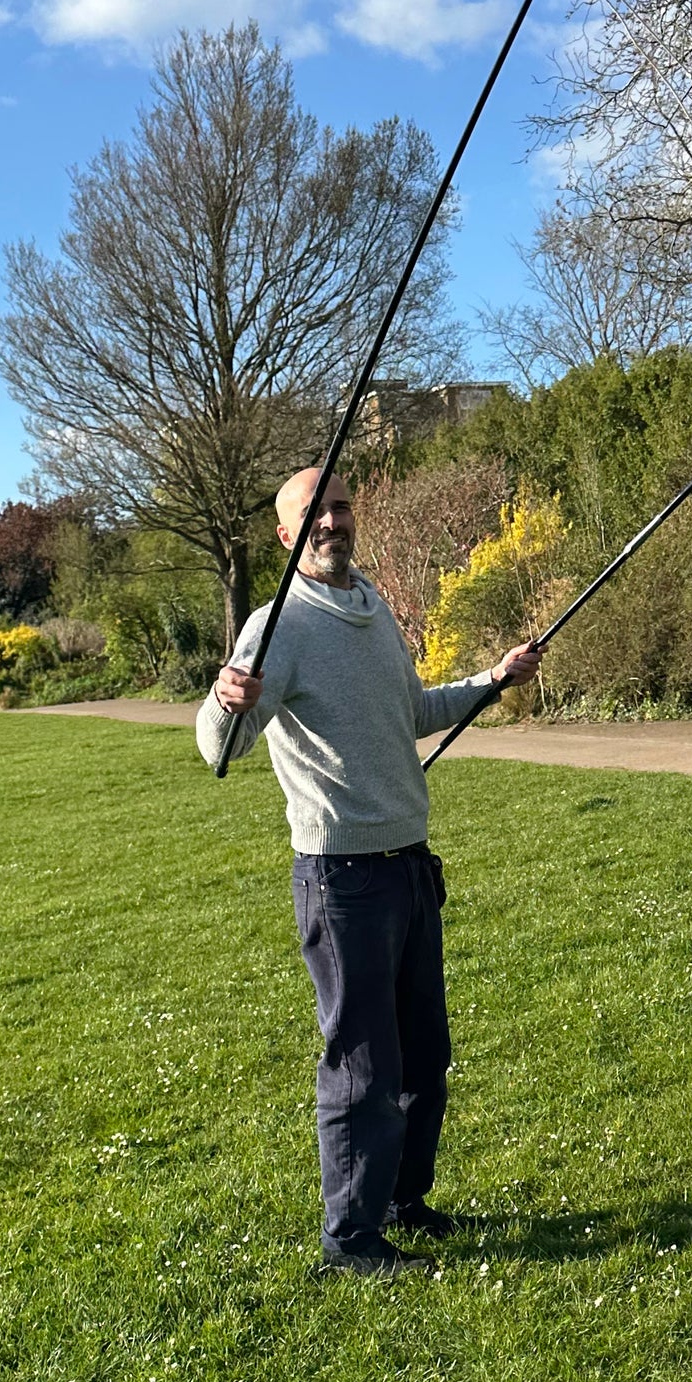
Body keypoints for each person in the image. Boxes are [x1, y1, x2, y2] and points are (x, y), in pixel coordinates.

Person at [199, 465, 540, 1275]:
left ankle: (401, 1202)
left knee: (425, 1056)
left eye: (340, 506)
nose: (329, 522)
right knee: (363, 1064)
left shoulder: (372, 605)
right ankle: (350, 1241)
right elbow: (222, 747)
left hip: (410, 865)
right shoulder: (274, 624)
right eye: (311, 514)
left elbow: (411, 710)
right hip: (342, 879)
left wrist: (491, 681)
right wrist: (225, 699)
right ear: (286, 537)